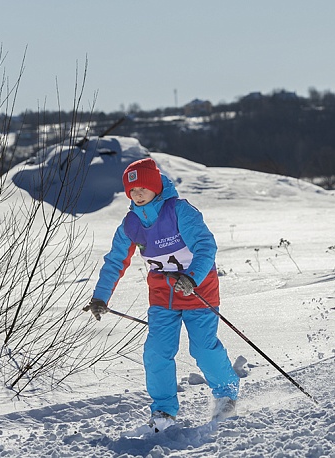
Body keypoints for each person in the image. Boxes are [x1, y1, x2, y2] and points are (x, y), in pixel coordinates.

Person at [83, 157, 239, 432]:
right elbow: (115, 261)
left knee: (202, 348)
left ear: (155, 186)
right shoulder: (131, 224)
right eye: (132, 190)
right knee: (156, 352)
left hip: (197, 291)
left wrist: (192, 278)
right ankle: (163, 410)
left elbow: (205, 245)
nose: (137, 194)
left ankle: (226, 394)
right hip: (162, 297)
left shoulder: (179, 211)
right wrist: (100, 297)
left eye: (142, 188)